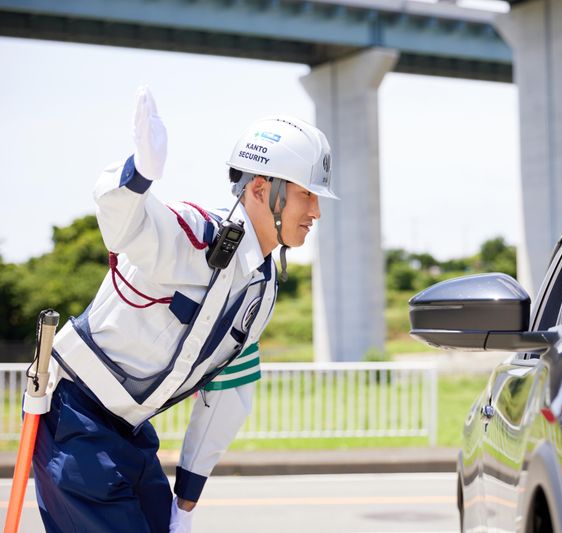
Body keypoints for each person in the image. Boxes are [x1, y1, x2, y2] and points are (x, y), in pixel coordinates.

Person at [31, 86, 338, 533]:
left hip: (131, 432)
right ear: (259, 188)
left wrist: (186, 506)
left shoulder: (262, 288)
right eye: (306, 195)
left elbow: (227, 397)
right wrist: (140, 173)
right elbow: (126, 226)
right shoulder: (196, 233)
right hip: (73, 420)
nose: (316, 212)